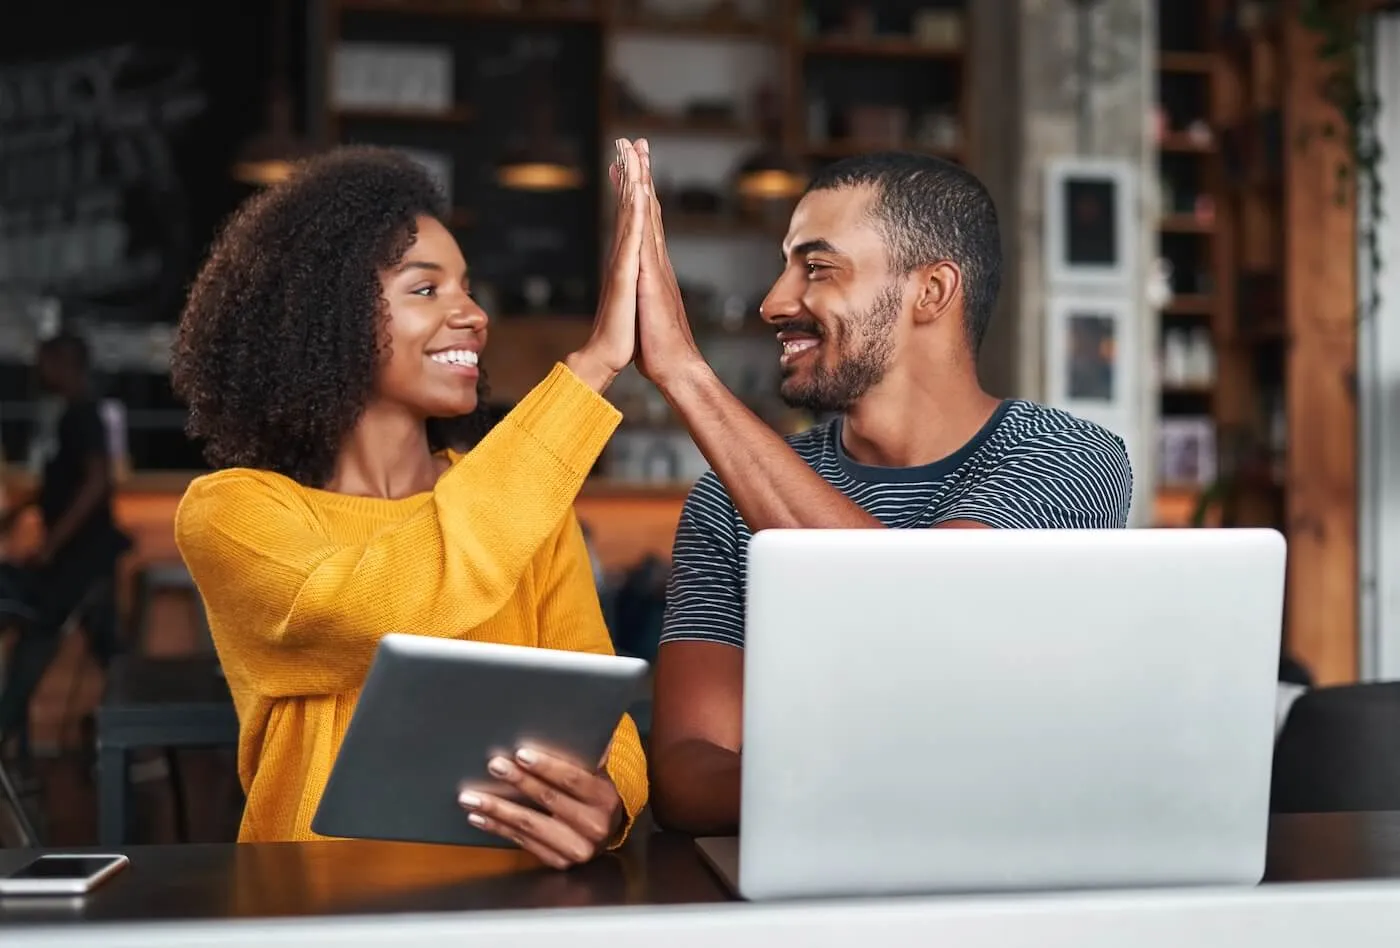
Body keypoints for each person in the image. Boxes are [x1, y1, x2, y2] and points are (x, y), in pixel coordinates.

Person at [170, 141, 652, 866]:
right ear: (320, 316)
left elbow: (598, 710)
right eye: (425, 290)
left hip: (512, 905)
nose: (474, 316)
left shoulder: (527, 507)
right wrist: (589, 370)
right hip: (318, 911)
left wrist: (606, 795)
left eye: (467, 288)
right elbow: (386, 611)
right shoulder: (236, 513)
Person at [629, 148, 1136, 834]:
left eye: (817, 268)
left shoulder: (1065, 456)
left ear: (930, 292)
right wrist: (915, 790)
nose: (775, 302)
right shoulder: (728, 496)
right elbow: (688, 776)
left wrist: (687, 374)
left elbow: (910, 621)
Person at [0, 332, 129, 756]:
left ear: (65, 364)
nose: (38, 372)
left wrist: (52, 543)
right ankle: (122, 741)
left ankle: (123, 740)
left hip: (82, 561)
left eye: (45, 363)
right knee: (106, 652)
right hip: (83, 559)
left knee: (45, 635)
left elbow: (96, 483)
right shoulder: (73, 414)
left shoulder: (83, 415)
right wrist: (19, 512)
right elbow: (65, 483)